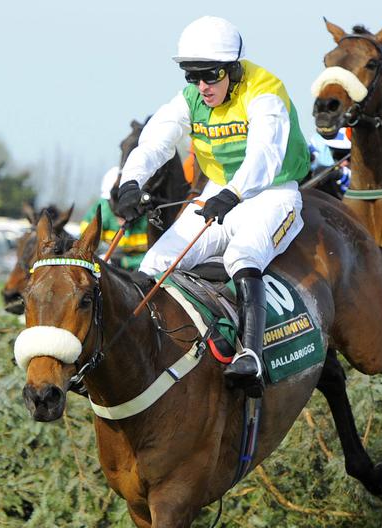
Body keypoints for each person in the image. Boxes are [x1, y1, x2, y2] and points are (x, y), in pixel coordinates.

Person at [115, 16, 311, 396]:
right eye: (193, 76)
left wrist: (233, 193)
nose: (202, 86)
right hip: (220, 192)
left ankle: (251, 357)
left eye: (210, 75)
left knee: (242, 254)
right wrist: (131, 182)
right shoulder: (190, 98)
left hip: (273, 193)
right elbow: (156, 142)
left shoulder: (265, 90)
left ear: (233, 69)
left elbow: (265, 155)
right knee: (154, 263)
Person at [80, 167, 149, 269]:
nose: (122, 212)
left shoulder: (149, 218)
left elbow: (159, 258)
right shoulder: (99, 211)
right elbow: (84, 248)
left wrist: (126, 262)